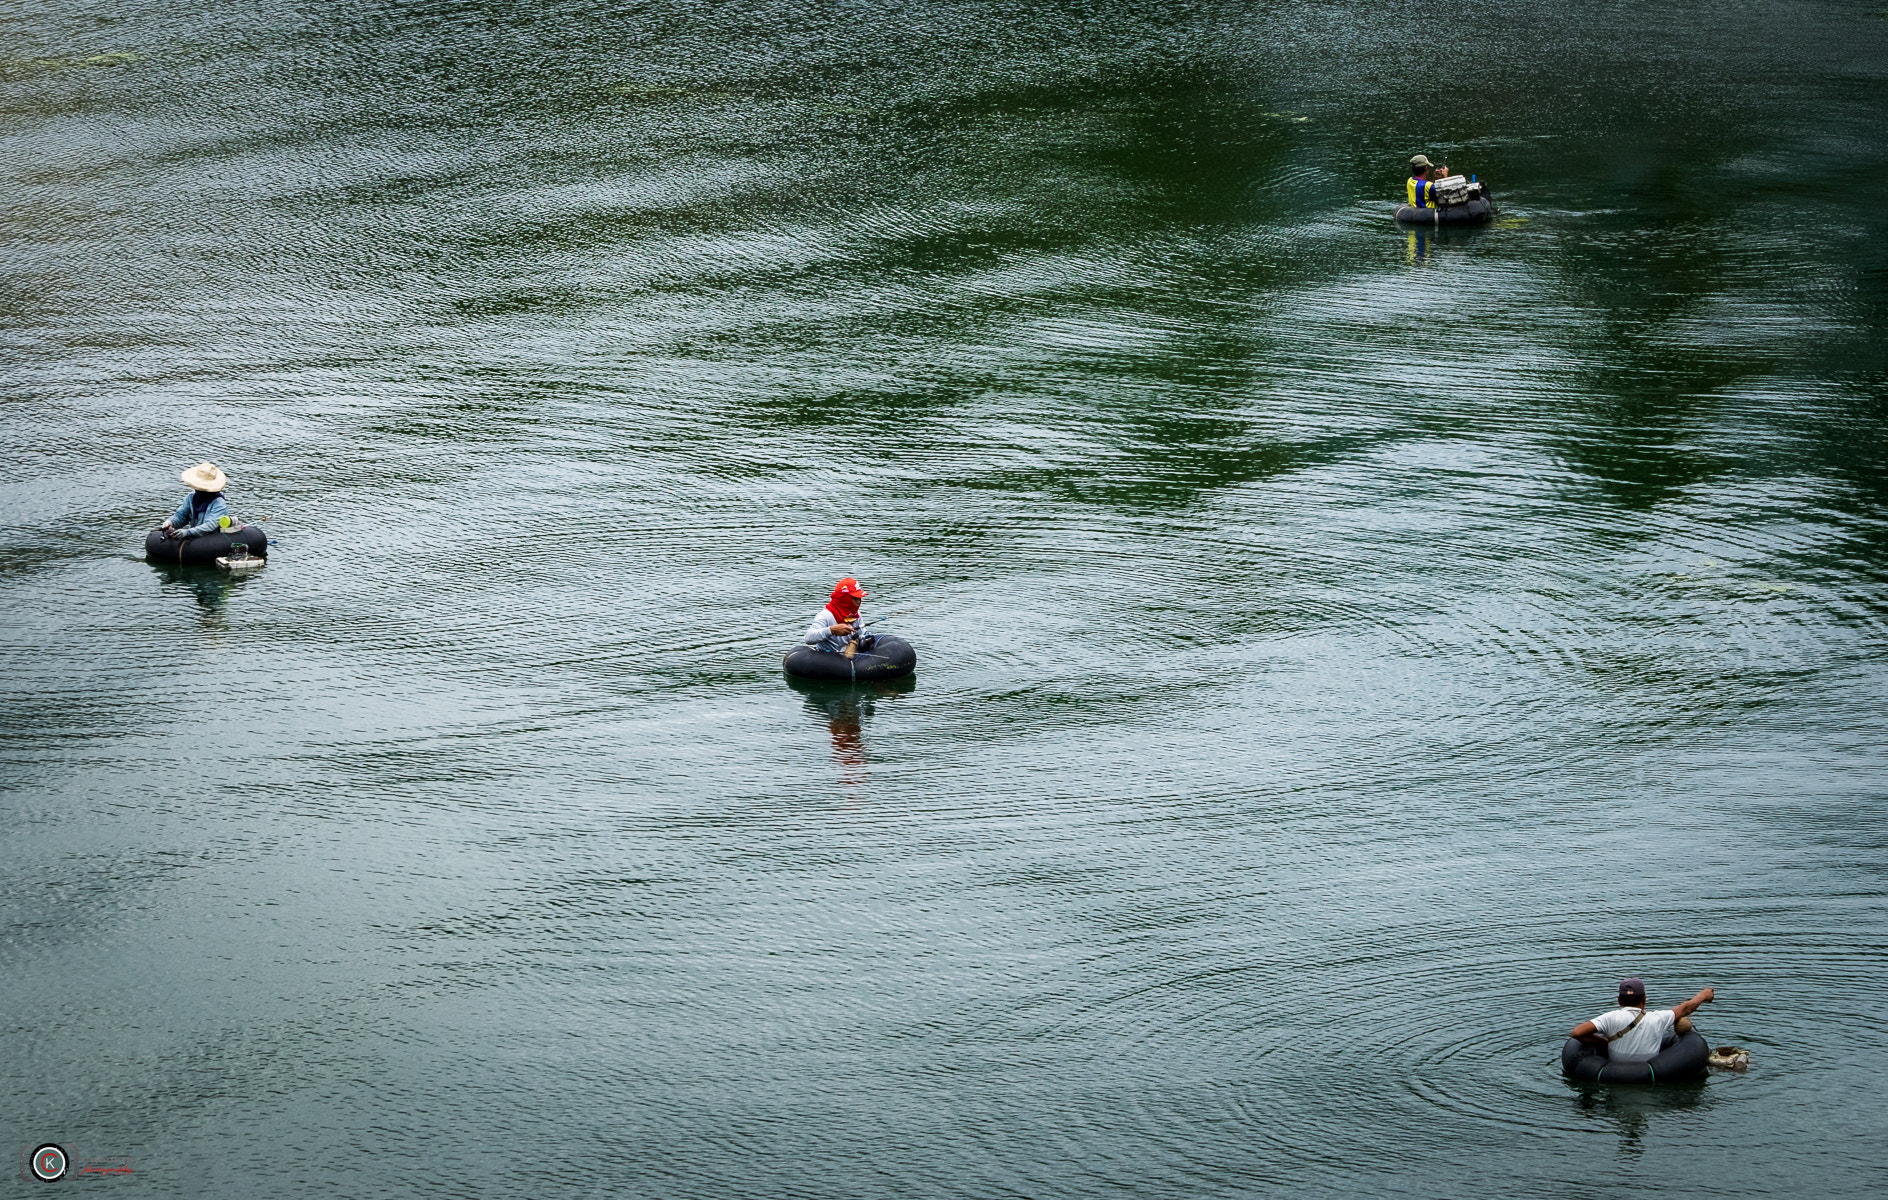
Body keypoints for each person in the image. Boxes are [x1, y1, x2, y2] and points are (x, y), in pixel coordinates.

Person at [1569, 977, 1715, 1064]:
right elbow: (1686, 1009)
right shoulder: (1658, 1018)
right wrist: (1704, 995)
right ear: (1644, 999)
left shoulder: (1609, 1018)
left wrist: (1603, 1042)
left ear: (1619, 1000)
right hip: (1653, 1070)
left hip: (1615, 1072)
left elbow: (1577, 1033)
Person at [157, 461, 233, 540]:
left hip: (212, 539)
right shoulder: (191, 498)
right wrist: (171, 522)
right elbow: (182, 516)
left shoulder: (219, 503)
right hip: (195, 536)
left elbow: (210, 525)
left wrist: (188, 532)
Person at [803, 577, 873, 657]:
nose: (859, 602)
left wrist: (867, 637)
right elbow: (808, 638)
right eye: (855, 598)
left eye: (860, 598)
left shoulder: (856, 614)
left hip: (849, 656)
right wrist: (832, 630)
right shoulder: (826, 615)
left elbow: (862, 633)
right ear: (845, 599)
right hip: (828, 659)